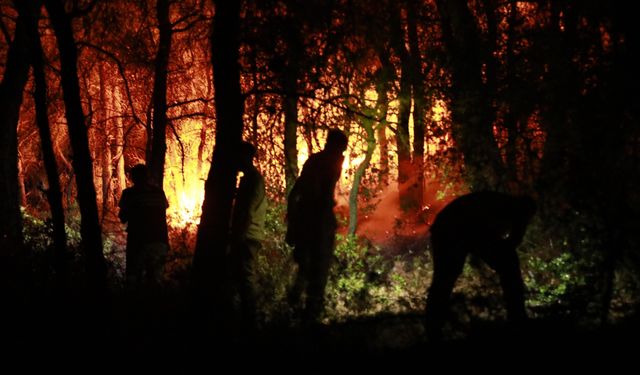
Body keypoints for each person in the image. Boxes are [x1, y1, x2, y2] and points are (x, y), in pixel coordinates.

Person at [424, 191, 536, 340]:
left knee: (445, 278)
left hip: (453, 227)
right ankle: (433, 327)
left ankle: (433, 327)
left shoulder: (500, 206)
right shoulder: (500, 208)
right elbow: (500, 242)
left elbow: (502, 243)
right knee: (446, 277)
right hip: (451, 229)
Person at [286, 128, 348, 322]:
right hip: (316, 224)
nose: (342, 156)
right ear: (334, 147)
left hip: (312, 222)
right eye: (341, 150)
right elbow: (303, 192)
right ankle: (307, 316)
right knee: (315, 272)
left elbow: (295, 193)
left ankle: (294, 311)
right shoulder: (324, 163)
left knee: (306, 271)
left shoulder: (319, 162)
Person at [228, 141, 267, 326]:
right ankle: (245, 320)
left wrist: (238, 237)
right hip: (247, 236)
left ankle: (252, 321)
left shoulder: (252, 180)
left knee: (246, 278)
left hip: (247, 237)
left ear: (244, 157)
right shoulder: (249, 179)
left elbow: (247, 211)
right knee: (240, 279)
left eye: (237, 156)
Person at [118, 164, 169, 292]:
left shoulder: (129, 194)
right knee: (156, 280)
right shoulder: (159, 192)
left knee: (134, 278)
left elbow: (123, 218)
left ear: (132, 178)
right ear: (147, 177)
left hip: (138, 242)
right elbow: (164, 209)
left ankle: (136, 307)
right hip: (160, 240)